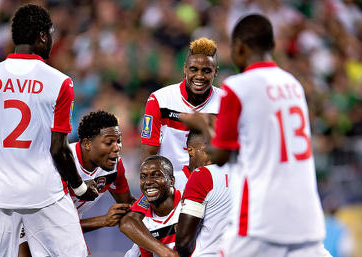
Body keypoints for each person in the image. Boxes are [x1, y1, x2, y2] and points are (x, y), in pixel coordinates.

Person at [180, 14, 330, 257]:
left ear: (239, 47)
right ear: (272, 46)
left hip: (261, 221)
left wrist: (203, 125)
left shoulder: (238, 87)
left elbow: (218, 156)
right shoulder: (294, 85)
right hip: (306, 217)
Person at [0, 4, 98, 257]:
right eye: (51, 34)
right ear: (42, 36)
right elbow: (59, 149)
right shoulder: (60, 82)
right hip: (44, 194)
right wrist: (80, 188)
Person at [18, 110, 136, 256]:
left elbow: (129, 205)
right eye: (109, 142)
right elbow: (52, 225)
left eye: (118, 141)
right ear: (87, 143)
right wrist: (103, 220)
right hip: (28, 223)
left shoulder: (115, 167)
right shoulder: (57, 165)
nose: (117, 147)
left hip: (69, 229)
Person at [140, 37, 222, 172]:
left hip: (211, 186)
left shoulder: (225, 102)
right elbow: (149, 153)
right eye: (194, 69)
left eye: (206, 71)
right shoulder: (159, 100)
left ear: (216, 72)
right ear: (185, 68)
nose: (199, 76)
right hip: (172, 186)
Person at [175, 130, 231, 257]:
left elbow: (183, 243)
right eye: (208, 151)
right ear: (190, 150)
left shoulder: (203, 175)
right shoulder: (168, 179)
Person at [120, 155, 180, 257]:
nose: (148, 181)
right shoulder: (141, 221)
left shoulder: (188, 203)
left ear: (172, 181)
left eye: (156, 175)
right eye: (143, 177)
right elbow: (126, 223)